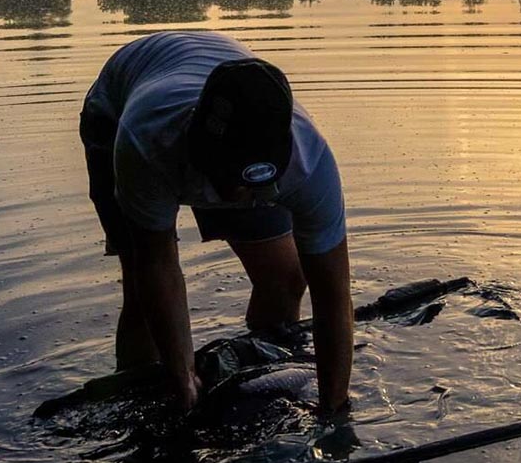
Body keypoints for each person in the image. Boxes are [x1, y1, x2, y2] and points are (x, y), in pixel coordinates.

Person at [79, 30, 352, 415]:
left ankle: (263, 383)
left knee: (285, 278)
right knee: (142, 297)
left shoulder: (309, 163)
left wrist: (334, 410)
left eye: (254, 184)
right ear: (199, 151)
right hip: (118, 111)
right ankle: (142, 408)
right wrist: (182, 380)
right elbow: (157, 265)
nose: (240, 199)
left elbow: (334, 298)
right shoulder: (146, 144)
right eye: (229, 180)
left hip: (235, 143)